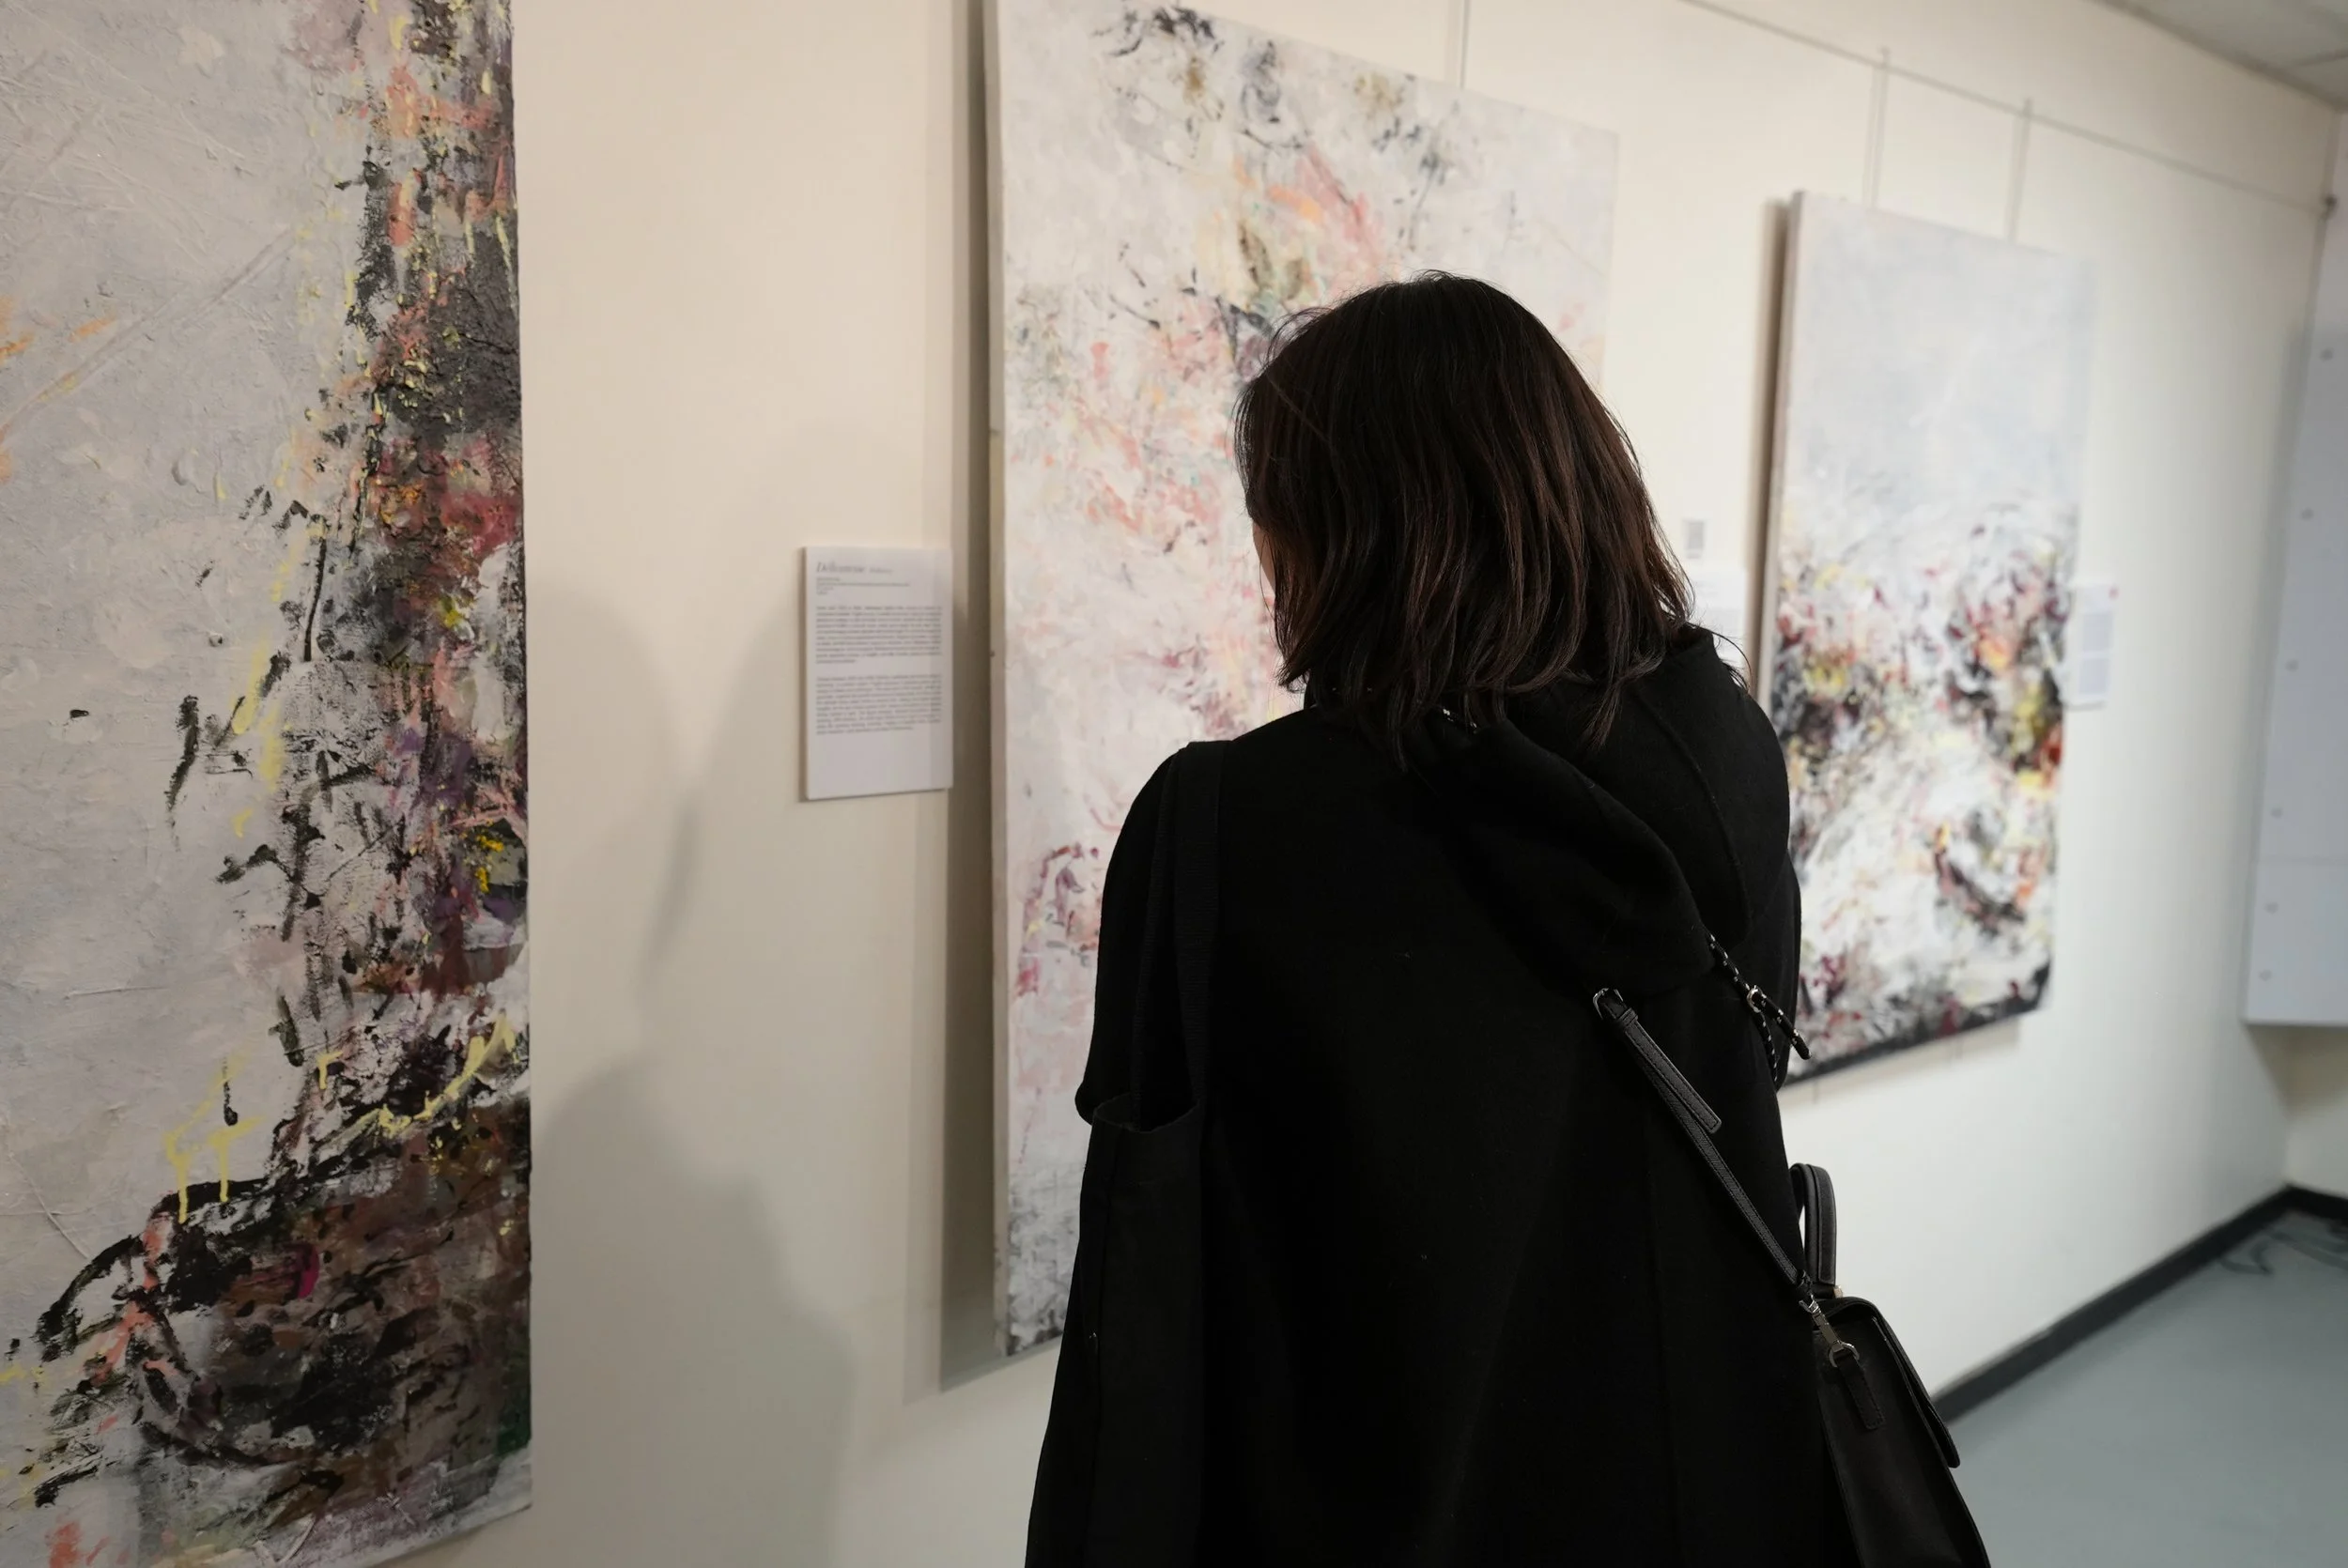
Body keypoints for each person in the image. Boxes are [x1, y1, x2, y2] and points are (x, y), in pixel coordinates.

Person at [1028, 274, 1838, 1565]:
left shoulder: (1228, 826)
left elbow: (1150, 1277)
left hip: (1366, 1506)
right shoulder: (1728, 753)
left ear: (1332, 532)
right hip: (1709, 1479)